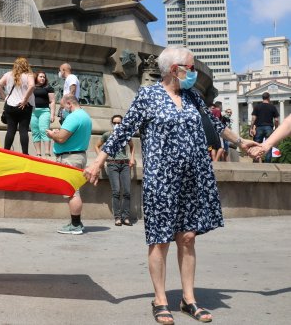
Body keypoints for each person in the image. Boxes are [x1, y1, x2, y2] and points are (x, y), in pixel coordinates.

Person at [83, 45, 256, 324]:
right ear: (175, 70)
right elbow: (124, 130)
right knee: (160, 240)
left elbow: (216, 122)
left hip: (193, 176)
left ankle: (189, 299)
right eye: (191, 66)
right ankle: (160, 299)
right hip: (162, 179)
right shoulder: (148, 95)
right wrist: (97, 161)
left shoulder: (193, 96)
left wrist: (241, 142)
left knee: (187, 238)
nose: (194, 70)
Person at [46, 94, 92, 235]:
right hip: (77, 155)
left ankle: (76, 225)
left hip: (69, 157)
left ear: (69, 104)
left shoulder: (73, 117)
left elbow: (61, 138)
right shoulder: (85, 116)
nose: (62, 111)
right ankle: (75, 222)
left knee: (72, 192)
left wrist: (51, 134)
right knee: (73, 190)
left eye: (62, 107)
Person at [94, 114, 135, 226]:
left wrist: (132, 158)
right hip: (112, 164)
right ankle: (117, 217)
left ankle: (125, 217)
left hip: (125, 164)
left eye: (119, 123)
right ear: (112, 124)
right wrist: (101, 158)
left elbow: (132, 146)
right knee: (116, 191)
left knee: (127, 191)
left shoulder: (126, 135)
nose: (117, 125)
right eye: (115, 123)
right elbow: (97, 146)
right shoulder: (108, 135)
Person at [0, 57, 35, 154]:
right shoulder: (28, 75)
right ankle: (25, 153)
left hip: (10, 105)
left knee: (10, 129)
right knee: (23, 130)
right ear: (26, 65)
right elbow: (32, 86)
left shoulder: (8, 75)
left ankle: (6, 151)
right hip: (24, 106)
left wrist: (4, 97)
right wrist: (25, 99)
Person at [30, 71, 55, 157]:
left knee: (44, 131)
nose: (42, 78)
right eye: (40, 77)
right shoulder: (31, 87)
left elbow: (52, 101)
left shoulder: (48, 87)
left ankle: (47, 153)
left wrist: (52, 114)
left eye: (44, 77)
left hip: (44, 111)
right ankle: (38, 154)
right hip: (33, 112)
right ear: (36, 77)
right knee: (35, 132)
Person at [250, 92, 279, 162]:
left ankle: (255, 163)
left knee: (256, 145)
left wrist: (251, 128)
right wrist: (276, 129)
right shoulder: (272, 107)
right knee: (268, 145)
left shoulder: (257, 106)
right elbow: (276, 120)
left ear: (262, 98)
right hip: (269, 128)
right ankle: (267, 165)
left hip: (259, 128)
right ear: (269, 98)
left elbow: (253, 118)